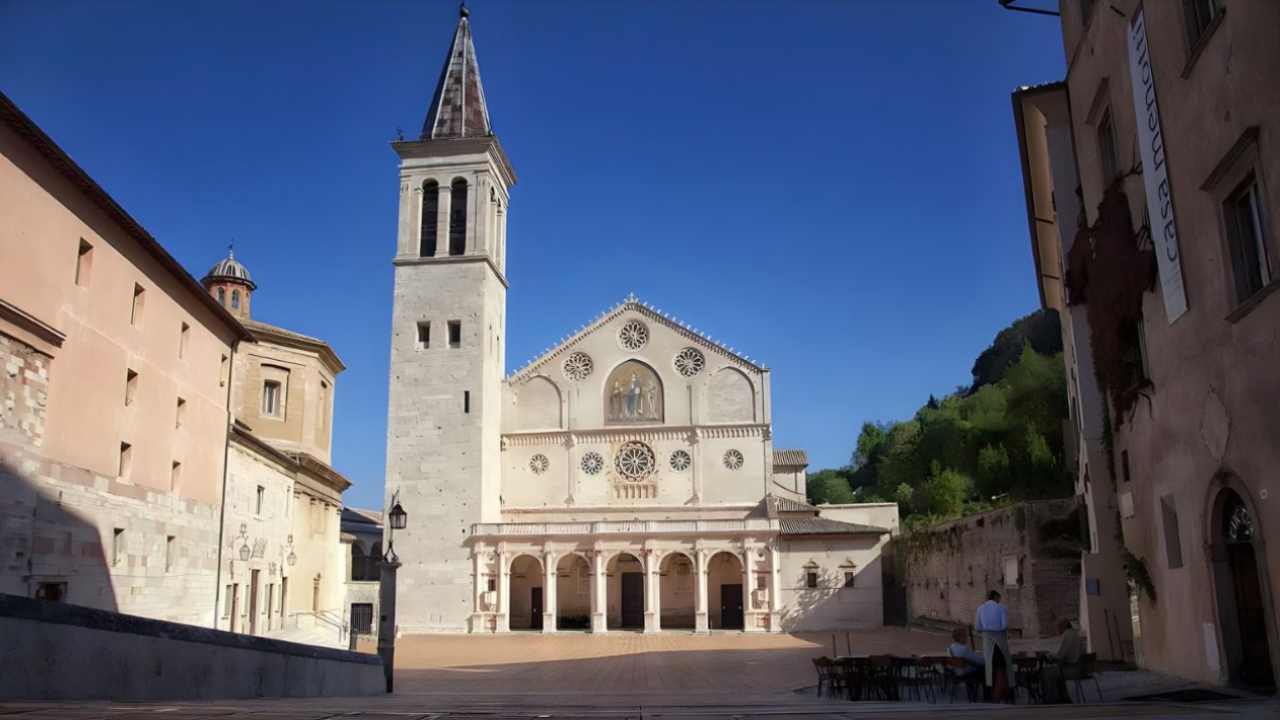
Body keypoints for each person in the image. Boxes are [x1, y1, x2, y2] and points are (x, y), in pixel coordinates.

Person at [975, 590, 1012, 701]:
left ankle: (990, 695)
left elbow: (977, 627)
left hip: (987, 640)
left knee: (989, 667)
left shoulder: (980, 608)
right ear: (996, 597)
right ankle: (1005, 693)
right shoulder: (1002, 607)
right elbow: (1005, 625)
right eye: (999, 598)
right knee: (1004, 667)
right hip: (1000, 639)